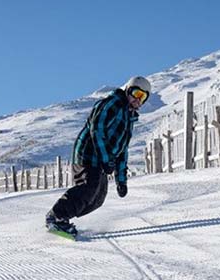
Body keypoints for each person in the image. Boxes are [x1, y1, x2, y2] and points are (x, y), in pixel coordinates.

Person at [46, 75, 151, 236]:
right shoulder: (113, 104)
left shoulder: (129, 118)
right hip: (88, 154)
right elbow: (97, 129)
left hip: (102, 160)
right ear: (128, 91)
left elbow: (122, 150)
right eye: (136, 93)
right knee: (89, 187)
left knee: (98, 199)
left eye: (142, 97)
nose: (138, 100)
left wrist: (121, 181)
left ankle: (64, 218)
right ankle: (57, 216)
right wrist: (105, 158)